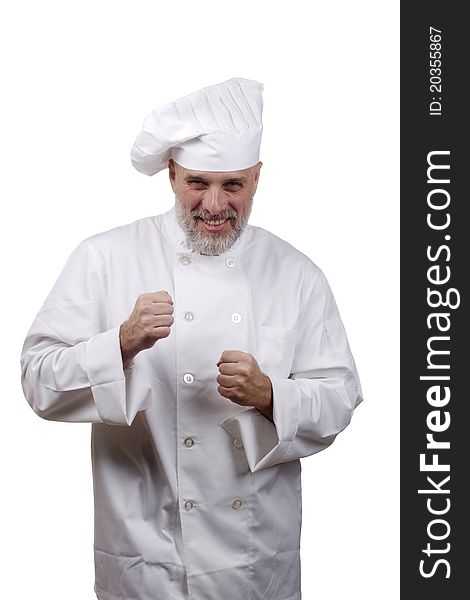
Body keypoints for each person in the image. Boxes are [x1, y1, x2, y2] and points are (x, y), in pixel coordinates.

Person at [20, 77, 363, 600]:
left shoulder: (297, 273)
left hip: (254, 564)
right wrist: (120, 344)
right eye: (198, 182)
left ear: (258, 178)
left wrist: (272, 396)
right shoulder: (105, 258)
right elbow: (37, 380)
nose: (215, 204)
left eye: (234, 185)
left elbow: (339, 397)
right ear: (173, 175)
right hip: (146, 559)